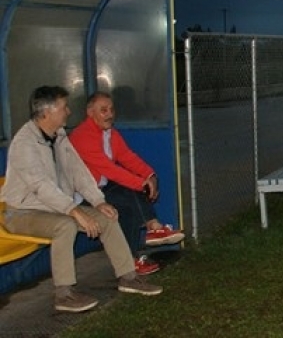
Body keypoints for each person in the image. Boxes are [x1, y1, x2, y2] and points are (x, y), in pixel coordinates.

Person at [0, 86, 161, 313]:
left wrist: (98, 201)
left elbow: (78, 172)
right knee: (64, 225)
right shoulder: (24, 143)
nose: (68, 112)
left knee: (108, 216)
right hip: (21, 212)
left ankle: (129, 278)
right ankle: (64, 294)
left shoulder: (59, 136)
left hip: (55, 207)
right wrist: (75, 211)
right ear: (47, 112)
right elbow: (41, 187)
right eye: (63, 107)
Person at [69, 91, 185, 275]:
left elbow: (127, 157)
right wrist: (142, 184)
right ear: (90, 113)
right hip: (84, 195)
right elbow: (109, 169)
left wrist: (150, 175)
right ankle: (153, 228)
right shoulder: (83, 136)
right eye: (103, 110)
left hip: (101, 187)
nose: (109, 114)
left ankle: (133, 260)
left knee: (130, 204)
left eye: (111, 109)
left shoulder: (110, 133)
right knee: (131, 191)